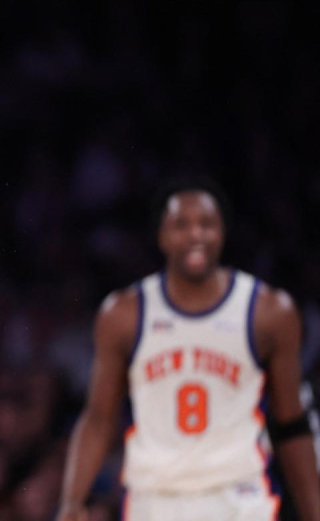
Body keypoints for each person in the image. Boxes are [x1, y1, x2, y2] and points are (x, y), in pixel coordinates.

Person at [58, 180, 320, 521]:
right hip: (155, 498)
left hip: (239, 497)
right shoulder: (124, 314)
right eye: (181, 224)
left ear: (222, 232)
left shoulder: (268, 311)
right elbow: (98, 418)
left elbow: (290, 425)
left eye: (206, 224)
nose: (195, 234)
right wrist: (72, 502)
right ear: (162, 236)